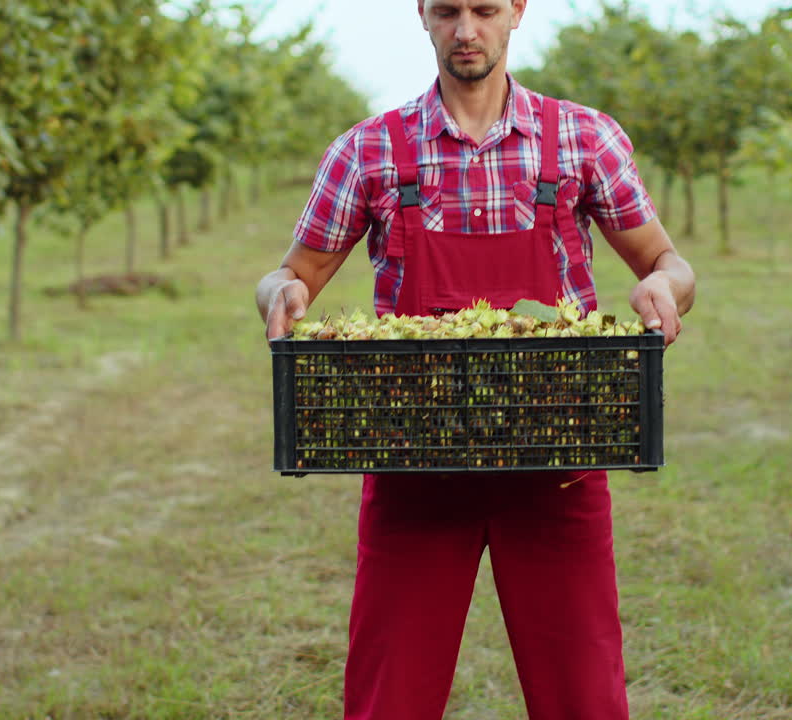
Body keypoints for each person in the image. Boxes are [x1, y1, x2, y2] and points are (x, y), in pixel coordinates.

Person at [256, 0, 695, 717]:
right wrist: (278, 296)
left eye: (486, 9)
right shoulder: (369, 151)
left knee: (584, 696)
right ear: (421, 15)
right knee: (388, 697)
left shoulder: (584, 138)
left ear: (517, 11)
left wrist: (663, 285)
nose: (467, 31)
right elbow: (289, 276)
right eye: (448, 11)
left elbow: (670, 264)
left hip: (559, 463)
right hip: (414, 466)